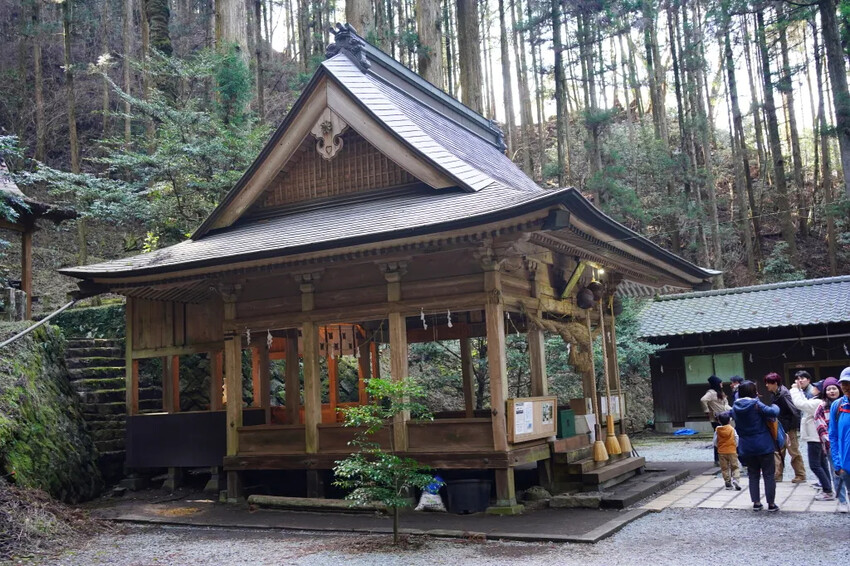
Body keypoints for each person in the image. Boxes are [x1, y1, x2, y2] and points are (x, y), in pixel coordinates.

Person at [733, 380, 781, 511]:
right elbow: (773, 412)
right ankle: (771, 504)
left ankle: (756, 503)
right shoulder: (756, 404)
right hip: (763, 444)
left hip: (746, 447)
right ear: (753, 392)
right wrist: (776, 406)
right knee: (768, 475)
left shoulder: (735, 407)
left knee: (753, 475)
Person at [790, 379, 833, 500]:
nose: (812, 388)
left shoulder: (817, 402)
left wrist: (794, 390)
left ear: (819, 390)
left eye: (815, 387)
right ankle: (827, 486)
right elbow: (804, 401)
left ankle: (828, 490)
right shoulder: (817, 401)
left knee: (815, 465)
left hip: (815, 437)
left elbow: (800, 404)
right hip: (817, 436)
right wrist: (799, 390)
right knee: (822, 464)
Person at [764, 372, 805, 483]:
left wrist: (791, 428)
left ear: (775, 383)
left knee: (793, 451)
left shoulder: (783, 394)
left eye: (768, 383)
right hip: (779, 426)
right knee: (778, 451)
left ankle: (800, 475)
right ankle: (777, 475)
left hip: (788, 427)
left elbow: (794, 412)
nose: (766, 385)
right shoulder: (775, 393)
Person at [815, 377, 848, 511]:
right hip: (831, 445)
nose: (832, 391)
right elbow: (819, 424)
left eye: (834, 388)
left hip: (846, 444)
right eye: (829, 389)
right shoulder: (822, 406)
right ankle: (842, 501)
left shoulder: (843, 403)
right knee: (837, 473)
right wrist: (830, 441)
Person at [828, 368, 850, 513]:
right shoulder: (837, 406)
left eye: (849, 383)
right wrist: (837, 464)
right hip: (846, 466)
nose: (846, 387)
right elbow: (833, 436)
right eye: (843, 383)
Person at [701, 375, 731, 466]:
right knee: (718, 438)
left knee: (725, 437)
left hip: (724, 417)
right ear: (716, 384)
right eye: (720, 382)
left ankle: (724, 459)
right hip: (716, 419)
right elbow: (703, 400)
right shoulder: (711, 393)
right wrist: (707, 411)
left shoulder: (719, 392)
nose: (722, 384)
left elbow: (725, 403)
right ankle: (717, 459)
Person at [713, 412, 741, 490]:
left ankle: (728, 482)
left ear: (719, 421)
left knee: (725, 468)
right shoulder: (732, 429)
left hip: (722, 451)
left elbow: (715, 441)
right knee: (735, 466)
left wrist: (718, 446)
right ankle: (735, 479)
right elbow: (736, 438)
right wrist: (735, 446)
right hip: (732, 450)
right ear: (729, 421)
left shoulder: (717, 430)